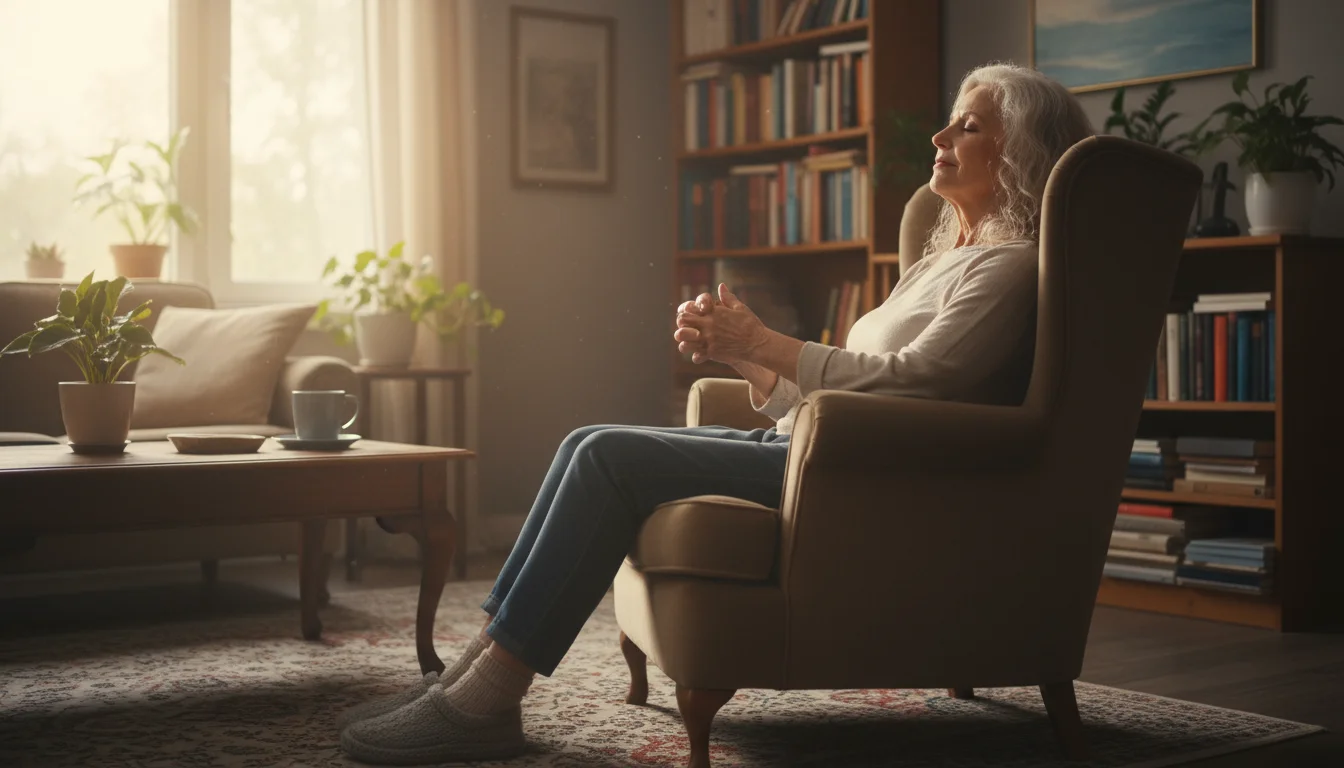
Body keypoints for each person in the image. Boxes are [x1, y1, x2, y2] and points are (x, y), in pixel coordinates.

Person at [336, 62, 1096, 766]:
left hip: (856, 480)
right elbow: (846, 394)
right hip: (812, 451)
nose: (940, 137)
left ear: (1022, 150)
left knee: (605, 458)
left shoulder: (1010, 267)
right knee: (587, 440)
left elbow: (918, 385)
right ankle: (475, 677)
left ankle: (484, 701)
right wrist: (747, 357)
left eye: (967, 125)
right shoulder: (938, 265)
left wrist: (768, 338)